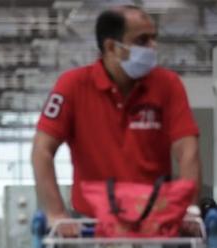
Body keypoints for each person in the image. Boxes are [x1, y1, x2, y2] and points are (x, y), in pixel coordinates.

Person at [31, 5, 201, 233]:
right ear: (111, 47)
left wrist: (189, 210)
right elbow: (41, 150)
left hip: (155, 226)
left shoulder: (167, 85)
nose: (153, 47)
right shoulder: (72, 87)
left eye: (153, 38)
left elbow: (187, 150)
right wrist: (57, 214)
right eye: (142, 41)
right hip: (93, 227)